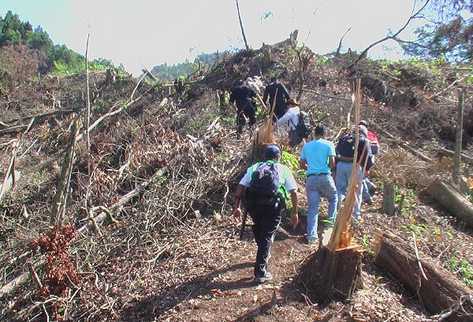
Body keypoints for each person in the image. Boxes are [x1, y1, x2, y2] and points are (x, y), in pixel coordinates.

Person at [233, 145, 299, 283]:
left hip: (253, 206)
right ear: (278, 157)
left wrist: (237, 207)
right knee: (267, 237)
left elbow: (240, 187)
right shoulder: (283, 169)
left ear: (264, 156)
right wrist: (294, 212)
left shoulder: (255, 167)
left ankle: (262, 252)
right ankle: (260, 273)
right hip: (272, 206)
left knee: (260, 230)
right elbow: (293, 192)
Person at [300, 125, 338, 244]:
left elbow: (302, 164)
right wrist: (327, 168)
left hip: (311, 178)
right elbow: (332, 163)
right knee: (333, 198)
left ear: (314, 134)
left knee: (312, 208)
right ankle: (330, 227)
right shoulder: (329, 144)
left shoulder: (306, 146)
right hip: (324, 176)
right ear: (324, 133)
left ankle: (312, 236)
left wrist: (310, 167)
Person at [335, 125, 373, 220]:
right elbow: (367, 157)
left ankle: (337, 211)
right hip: (355, 166)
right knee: (356, 191)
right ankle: (356, 215)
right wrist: (367, 168)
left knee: (340, 189)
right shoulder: (364, 140)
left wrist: (335, 167)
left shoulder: (344, 138)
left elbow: (336, 152)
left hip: (341, 165)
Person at [359, 120, 379, 205]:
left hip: (364, 159)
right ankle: (371, 186)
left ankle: (367, 196)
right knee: (361, 177)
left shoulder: (361, 134)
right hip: (371, 158)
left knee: (360, 179)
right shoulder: (371, 134)